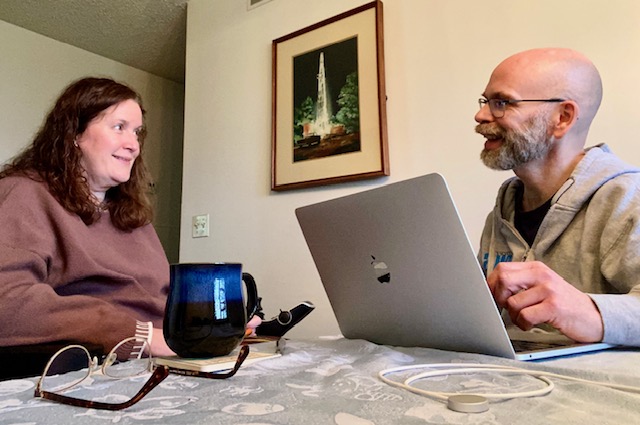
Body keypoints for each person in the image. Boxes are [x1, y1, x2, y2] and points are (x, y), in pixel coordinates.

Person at [0, 77, 175, 362]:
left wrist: (215, 322)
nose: (133, 145)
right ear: (75, 134)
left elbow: (162, 298)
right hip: (104, 364)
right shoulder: (24, 194)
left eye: (137, 132)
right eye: (119, 127)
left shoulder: (133, 215)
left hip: (170, 354)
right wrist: (138, 335)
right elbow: (7, 300)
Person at [474, 48, 640, 347]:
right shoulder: (502, 212)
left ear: (562, 118)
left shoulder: (627, 199)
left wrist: (591, 313)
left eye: (502, 102)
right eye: (485, 101)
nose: (481, 115)